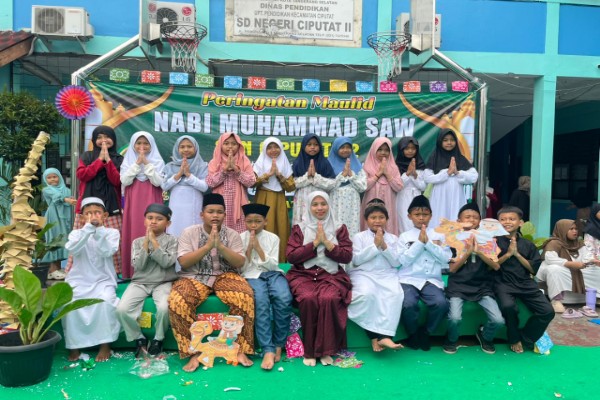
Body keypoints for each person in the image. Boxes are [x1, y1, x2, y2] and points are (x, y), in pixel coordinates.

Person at [168, 193, 255, 372]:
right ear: (202, 214)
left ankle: (239, 349)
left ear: (225, 215)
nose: (215, 215)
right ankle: (193, 352)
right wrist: (207, 246)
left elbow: (239, 262)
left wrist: (220, 247)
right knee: (178, 301)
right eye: (210, 211)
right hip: (195, 275)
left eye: (219, 212)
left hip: (225, 275)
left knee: (244, 297)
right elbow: (184, 262)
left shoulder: (232, 234)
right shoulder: (189, 233)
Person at [286, 191, 352, 367]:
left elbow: (347, 256)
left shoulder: (339, 228)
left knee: (328, 298)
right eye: (315, 204)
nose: (319, 208)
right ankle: (310, 351)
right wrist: (315, 243)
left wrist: (328, 243)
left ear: (329, 205)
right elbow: (291, 256)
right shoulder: (300, 228)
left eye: (323, 204)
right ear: (309, 207)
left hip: (331, 275)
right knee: (308, 298)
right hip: (303, 274)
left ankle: (325, 351)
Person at [62, 197, 121, 362]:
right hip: (78, 280)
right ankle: (74, 347)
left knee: (105, 302)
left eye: (97, 212)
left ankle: (105, 345)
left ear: (105, 215)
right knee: (70, 303)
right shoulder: (76, 233)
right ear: (82, 217)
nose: (93, 216)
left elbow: (106, 251)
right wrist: (88, 229)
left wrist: (99, 230)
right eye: (88, 213)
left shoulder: (112, 233)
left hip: (103, 280)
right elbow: (73, 249)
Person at [116, 204, 178, 358]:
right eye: (150, 218)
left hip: (163, 282)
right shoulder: (137, 242)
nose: (153, 221)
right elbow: (138, 266)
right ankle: (139, 338)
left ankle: (158, 339)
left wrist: (154, 243)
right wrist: (146, 243)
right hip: (140, 282)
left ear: (168, 223)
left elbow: (166, 263)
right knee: (122, 309)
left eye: (159, 219)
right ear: (144, 221)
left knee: (164, 308)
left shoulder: (172, 240)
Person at [443, 202, 504, 355]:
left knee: (498, 320)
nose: (471, 219)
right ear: (459, 220)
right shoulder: (453, 240)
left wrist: (479, 252)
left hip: (482, 286)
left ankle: (485, 336)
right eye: (467, 217)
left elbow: (496, 266)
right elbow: (452, 269)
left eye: (475, 217)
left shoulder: (488, 240)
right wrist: (468, 252)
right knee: (455, 318)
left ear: (480, 221)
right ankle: (451, 340)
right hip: (458, 286)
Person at [494, 206, 554, 353]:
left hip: (525, 283)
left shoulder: (528, 245)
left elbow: (533, 269)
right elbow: (490, 267)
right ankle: (514, 338)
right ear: (498, 222)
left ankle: (526, 337)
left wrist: (517, 254)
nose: (507, 222)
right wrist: (508, 254)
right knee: (508, 307)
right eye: (503, 219)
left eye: (512, 219)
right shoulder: (493, 242)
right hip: (502, 282)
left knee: (547, 311)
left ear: (520, 222)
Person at [240, 203, 292, 370]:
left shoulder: (273, 238)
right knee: (261, 301)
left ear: (266, 222)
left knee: (283, 297)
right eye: (249, 221)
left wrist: (259, 248)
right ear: (244, 222)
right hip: (251, 275)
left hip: (272, 273)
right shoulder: (240, 238)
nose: (253, 225)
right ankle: (267, 349)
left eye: (258, 221)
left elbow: (273, 264)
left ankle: (279, 344)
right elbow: (242, 267)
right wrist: (249, 248)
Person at [348, 199, 404, 352]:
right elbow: (356, 260)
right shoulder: (359, 237)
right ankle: (375, 337)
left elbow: (396, 262)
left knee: (395, 295)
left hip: (387, 275)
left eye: (381, 217)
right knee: (366, 295)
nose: (377, 221)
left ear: (387, 219)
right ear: (366, 220)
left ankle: (384, 337)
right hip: (364, 274)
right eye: (373, 217)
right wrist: (374, 246)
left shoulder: (393, 238)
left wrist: (384, 246)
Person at [397, 195, 451, 351]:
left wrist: (428, 243)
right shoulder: (404, 236)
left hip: (431, 279)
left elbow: (445, 259)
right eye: (417, 214)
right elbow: (404, 261)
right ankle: (413, 334)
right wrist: (420, 243)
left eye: (425, 214)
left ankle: (426, 332)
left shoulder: (439, 235)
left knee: (441, 304)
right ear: (409, 216)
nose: (421, 218)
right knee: (408, 304)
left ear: (431, 216)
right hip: (409, 279)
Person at [69, 125, 123, 275]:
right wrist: (99, 160)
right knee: (84, 239)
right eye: (99, 137)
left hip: (111, 208)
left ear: (113, 139)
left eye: (107, 137)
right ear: (93, 140)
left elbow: (117, 180)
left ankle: (115, 272)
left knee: (110, 240)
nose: (103, 140)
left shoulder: (119, 159)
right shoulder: (87, 156)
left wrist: (109, 162)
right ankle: (81, 272)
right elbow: (82, 175)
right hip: (88, 207)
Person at [120, 131, 165, 279]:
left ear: (151, 145)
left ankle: (155, 272)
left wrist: (146, 163)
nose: (142, 146)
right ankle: (133, 272)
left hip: (152, 198)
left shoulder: (157, 161)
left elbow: (158, 182)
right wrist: (137, 164)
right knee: (135, 229)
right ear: (133, 145)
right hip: (134, 200)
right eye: (138, 143)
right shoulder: (128, 161)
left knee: (153, 228)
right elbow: (125, 180)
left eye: (146, 143)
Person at [537, 219, 600, 313]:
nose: (575, 231)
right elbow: (550, 259)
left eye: (576, 229)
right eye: (571, 229)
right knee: (553, 269)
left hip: (577, 269)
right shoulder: (553, 243)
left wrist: (593, 261)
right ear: (562, 229)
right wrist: (570, 264)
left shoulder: (579, 243)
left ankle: (597, 297)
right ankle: (556, 300)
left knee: (597, 270)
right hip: (562, 270)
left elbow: (587, 256)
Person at [423, 128, 479, 229]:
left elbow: (474, 176)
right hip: (440, 194)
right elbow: (427, 178)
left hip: (457, 194)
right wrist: (446, 173)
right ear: (440, 142)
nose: (449, 143)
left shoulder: (461, 158)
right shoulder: (434, 158)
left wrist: (457, 173)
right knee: (439, 218)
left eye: (452, 140)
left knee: (456, 217)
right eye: (445, 140)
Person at [252, 137, 296, 262]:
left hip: (279, 200)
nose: (273, 150)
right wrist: (268, 174)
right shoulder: (259, 164)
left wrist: (279, 175)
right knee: (262, 228)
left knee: (281, 228)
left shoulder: (284, 163)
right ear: (264, 150)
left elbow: (291, 186)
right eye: (269, 147)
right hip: (263, 199)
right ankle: (260, 261)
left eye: (276, 147)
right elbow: (251, 182)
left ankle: (280, 262)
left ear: (281, 148)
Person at [206, 133, 256, 233]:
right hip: (220, 203)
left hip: (239, 204)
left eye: (234, 144)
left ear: (239, 145)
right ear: (220, 145)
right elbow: (210, 182)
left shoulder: (244, 161)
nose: (230, 146)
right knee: (219, 232)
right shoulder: (215, 161)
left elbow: (251, 182)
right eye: (226, 143)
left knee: (238, 234)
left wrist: (237, 170)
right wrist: (224, 171)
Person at [161, 135, 208, 238]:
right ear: (177, 149)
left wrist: (188, 174)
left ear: (195, 148)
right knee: (175, 226)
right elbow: (164, 186)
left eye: (189, 146)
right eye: (182, 147)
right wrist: (179, 174)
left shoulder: (202, 165)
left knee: (193, 230)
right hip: (176, 202)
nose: (186, 149)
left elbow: (204, 187)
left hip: (194, 201)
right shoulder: (170, 166)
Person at [360, 137, 403, 235]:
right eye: (379, 149)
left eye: (386, 150)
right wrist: (378, 174)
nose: (383, 152)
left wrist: (387, 173)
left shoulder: (393, 167)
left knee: (388, 222)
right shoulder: (367, 166)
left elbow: (399, 187)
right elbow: (363, 186)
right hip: (371, 200)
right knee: (371, 221)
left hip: (389, 202)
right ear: (374, 149)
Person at [291, 134, 336, 225]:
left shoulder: (324, 163)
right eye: (309, 144)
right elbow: (292, 184)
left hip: (320, 199)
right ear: (303, 146)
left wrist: (316, 177)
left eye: (315, 144)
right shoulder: (298, 163)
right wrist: (307, 177)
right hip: (302, 200)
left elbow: (332, 184)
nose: (312, 147)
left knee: (319, 224)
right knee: (302, 225)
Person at [328, 137, 367, 239]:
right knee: (336, 227)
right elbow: (326, 186)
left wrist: (351, 175)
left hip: (352, 201)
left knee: (352, 228)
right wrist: (342, 175)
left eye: (348, 147)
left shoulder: (357, 166)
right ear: (336, 148)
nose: (345, 150)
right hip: (335, 201)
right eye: (342, 147)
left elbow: (363, 187)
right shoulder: (328, 165)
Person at [41, 168, 76, 279]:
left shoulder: (67, 190)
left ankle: (58, 268)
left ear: (59, 177)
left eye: (54, 177)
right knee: (54, 240)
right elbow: (56, 197)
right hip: (53, 218)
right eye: (49, 177)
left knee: (63, 240)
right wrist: (67, 200)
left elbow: (71, 198)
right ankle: (52, 270)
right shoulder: (47, 189)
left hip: (65, 218)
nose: (52, 179)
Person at [394, 137, 427, 233]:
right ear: (401, 150)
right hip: (402, 198)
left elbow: (423, 187)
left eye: (413, 148)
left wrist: (415, 175)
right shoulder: (396, 166)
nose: (410, 151)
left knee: (417, 221)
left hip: (417, 197)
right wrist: (407, 173)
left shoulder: (420, 165)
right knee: (403, 221)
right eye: (407, 148)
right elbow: (397, 186)